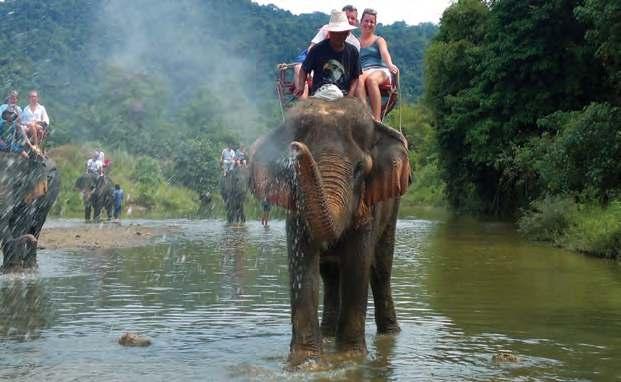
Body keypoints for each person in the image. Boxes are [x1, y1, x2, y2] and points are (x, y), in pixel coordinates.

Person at [291, 5, 360, 98]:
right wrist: (301, 87)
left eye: (341, 33)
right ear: (330, 33)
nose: (337, 36)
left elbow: (356, 77)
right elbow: (304, 69)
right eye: (334, 32)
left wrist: (350, 95)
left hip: (343, 95)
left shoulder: (353, 51)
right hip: (320, 93)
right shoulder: (317, 49)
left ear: (347, 33)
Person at [355, 8, 399, 121]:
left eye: (372, 22)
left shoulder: (379, 40)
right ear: (361, 22)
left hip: (379, 69)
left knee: (371, 80)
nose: (369, 24)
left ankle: (377, 119)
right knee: (358, 78)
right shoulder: (355, 42)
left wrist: (390, 64)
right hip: (363, 70)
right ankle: (366, 115)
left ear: (375, 24)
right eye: (366, 21)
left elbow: (385, 53)